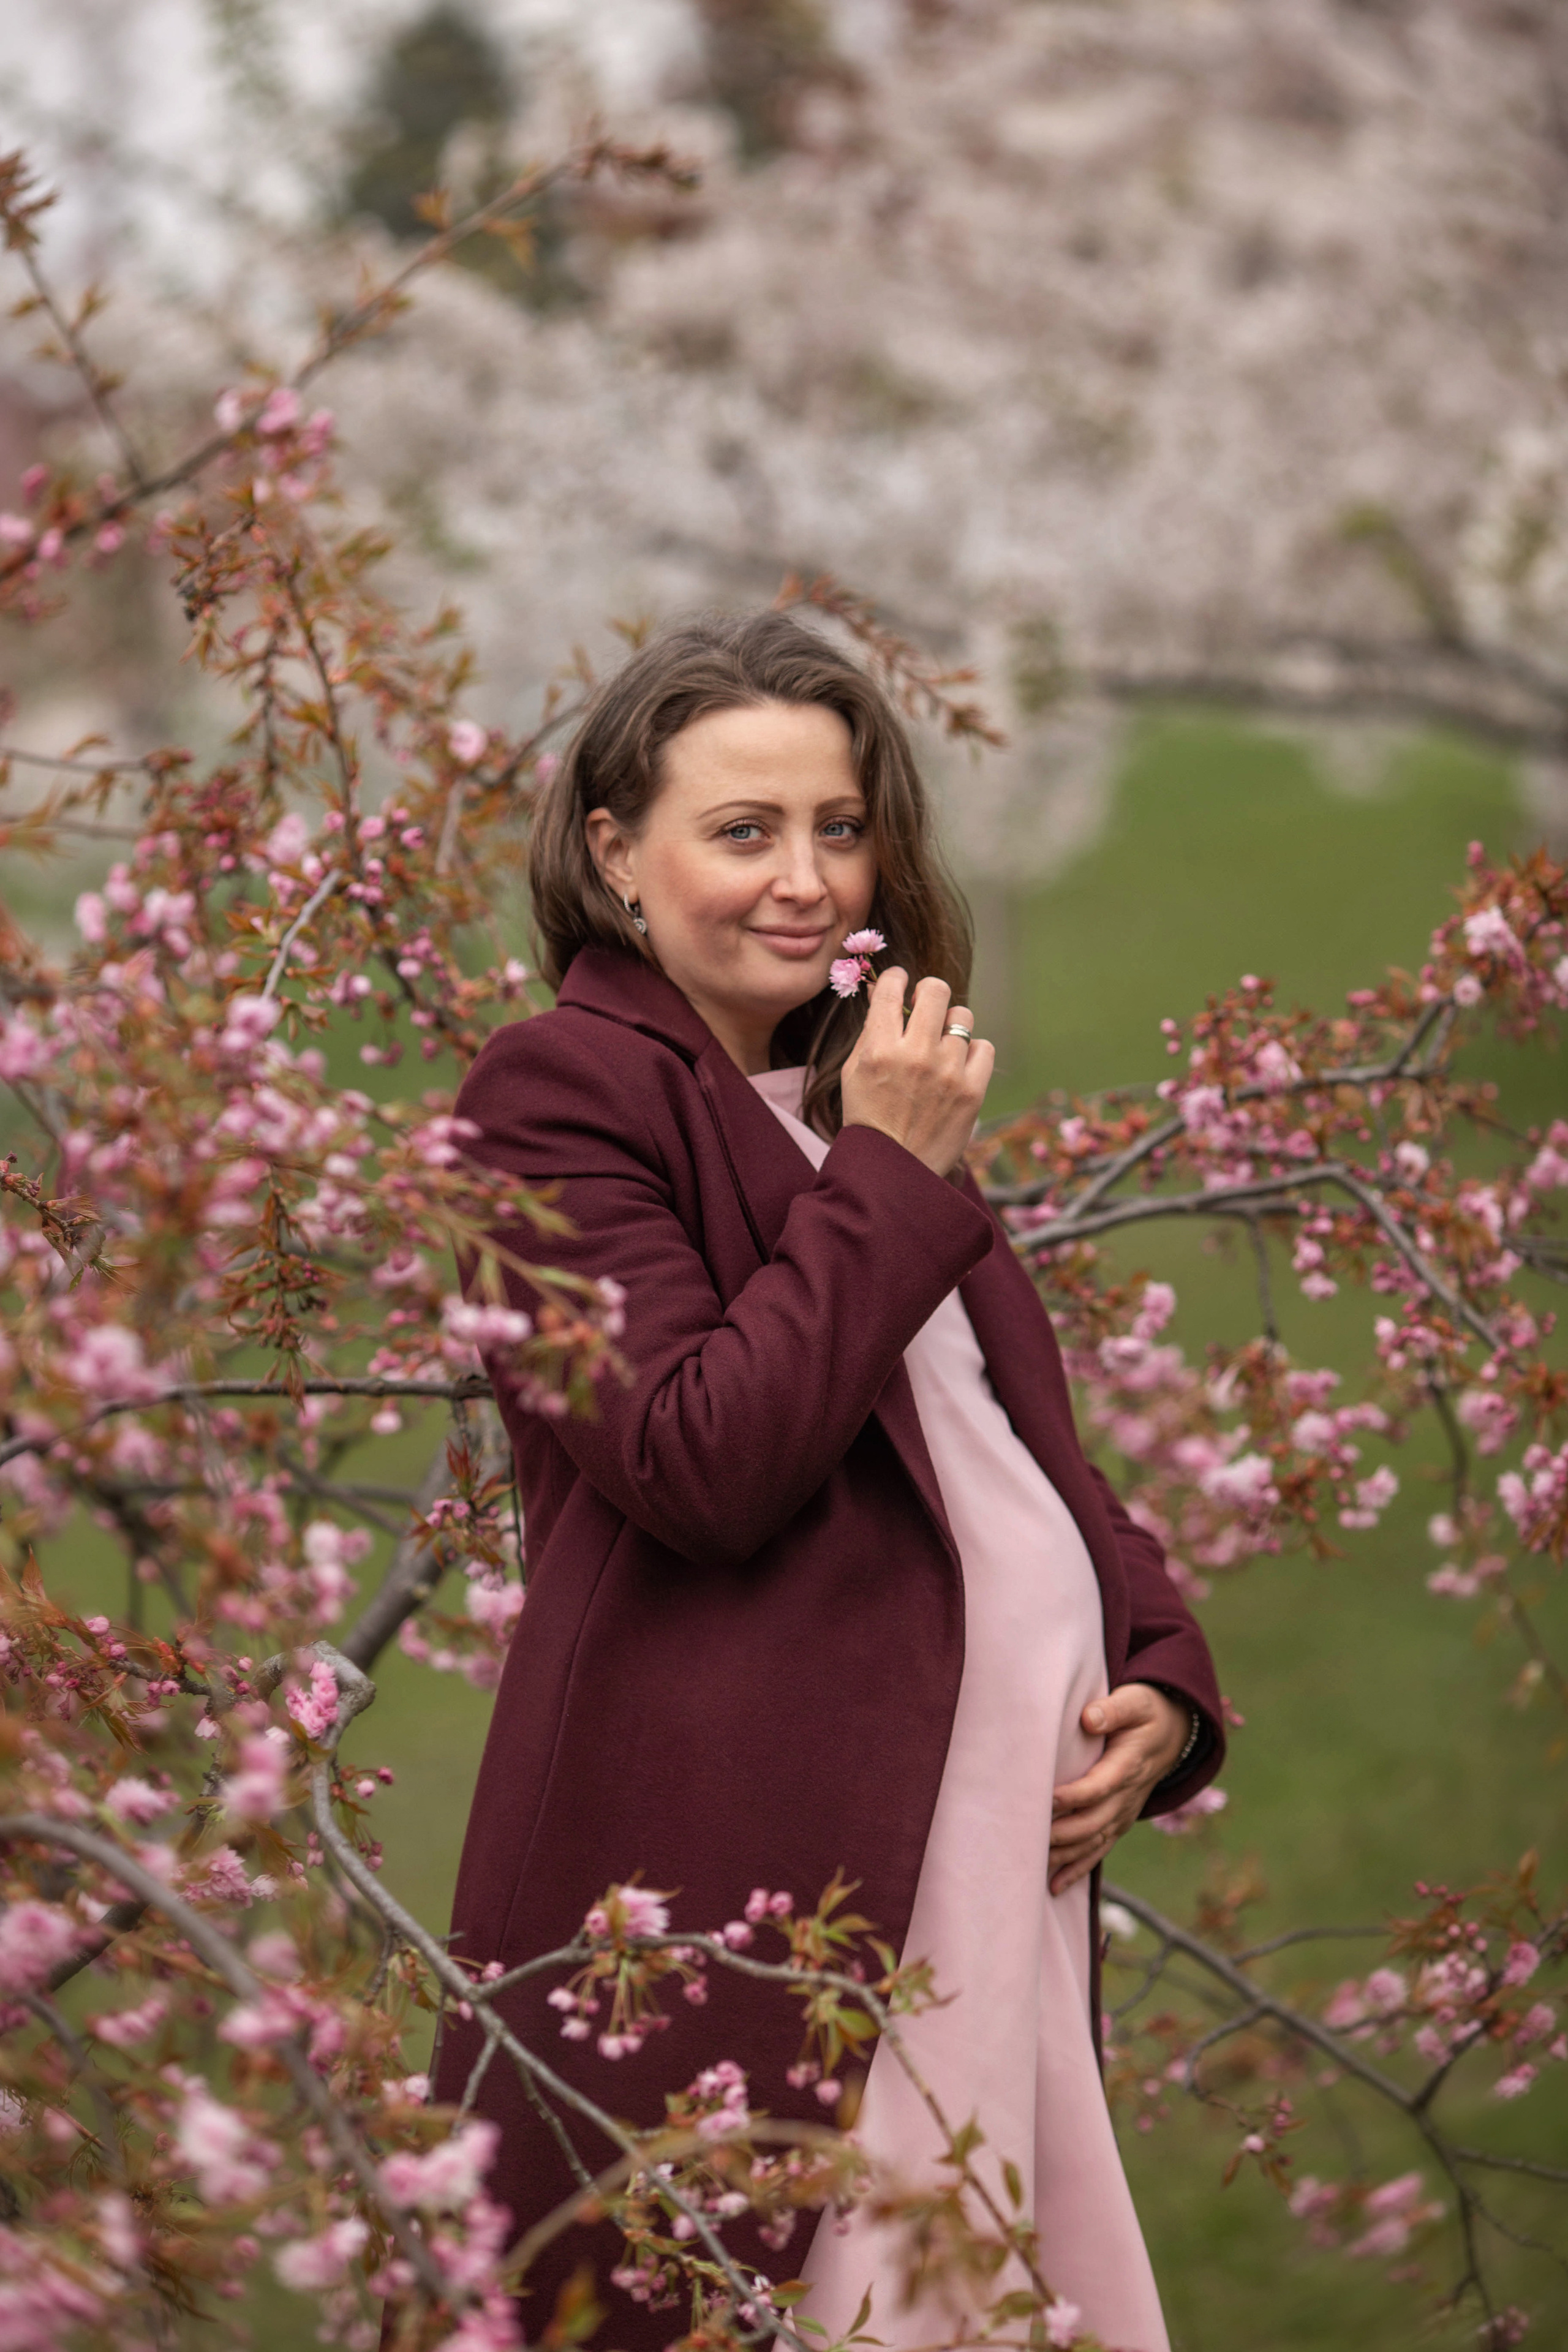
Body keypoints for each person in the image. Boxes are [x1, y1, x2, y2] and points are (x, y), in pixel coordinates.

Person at [433, 609, 1224, 2352]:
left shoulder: (839, 1093)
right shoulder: (556, 1092)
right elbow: (699, 1457)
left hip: (979, 1855)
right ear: (614, 853)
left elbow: (1010, 1445)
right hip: (767, 1868)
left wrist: (1163, 1670)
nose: (807, 879)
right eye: (743, 832)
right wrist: (885, 1168)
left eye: (841, 827)